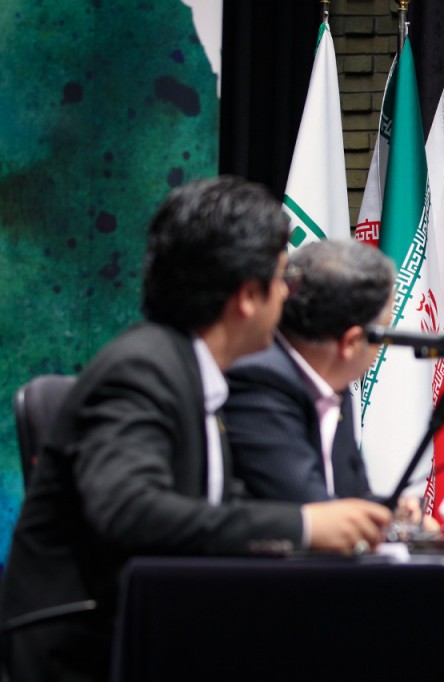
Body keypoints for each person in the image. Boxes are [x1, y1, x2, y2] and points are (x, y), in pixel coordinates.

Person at [0, 177, 393, 682]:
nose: (286, 296)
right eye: (280, 280)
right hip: (85, 649)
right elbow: (130, 511)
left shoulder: (189, 369)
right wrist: (302, 526)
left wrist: (326, 522)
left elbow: (215, 504)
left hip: (156, 627)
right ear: (247, 297)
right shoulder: (142, 370)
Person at [222, 239, 394, 503]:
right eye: (383, 333)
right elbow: (310, 508)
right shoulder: (257, 381)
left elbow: (352, 494)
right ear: (351, 343)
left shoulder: (334, 380)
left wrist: (395, 512)